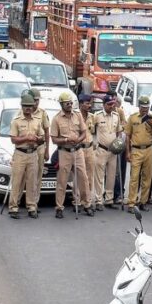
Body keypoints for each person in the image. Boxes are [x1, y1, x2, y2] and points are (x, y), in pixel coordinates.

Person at [50, 90, 90, 218]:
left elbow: (84, 132)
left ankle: (86, 204)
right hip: (64, 152)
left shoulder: (77, 115)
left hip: (78, 151)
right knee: (62, 180)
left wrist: (78, 140)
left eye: (70, 103)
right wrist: (66, 140)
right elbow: (54, 139)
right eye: (66, 103)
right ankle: (59, 208)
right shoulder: (56, 119)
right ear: (61, 104)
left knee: (83, 178)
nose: (69, 105)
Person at [8, 93, 43, 219]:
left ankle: (31, 206)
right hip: (20, 154)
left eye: (30, 106)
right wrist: (25, 138)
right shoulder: (16, 121)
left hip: (33, 153)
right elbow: (13, 139)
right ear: (22, 107)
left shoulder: (37, 121)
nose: (28, 108)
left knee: (32, 182)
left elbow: (42, 138)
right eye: (25, 106)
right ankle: (13, 207)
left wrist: (37, 139)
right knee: (17, 181)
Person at [125, 95, 152, 212]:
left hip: (149, 149)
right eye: (143, 107)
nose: (145, 109)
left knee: (147, 177)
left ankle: (143, 202)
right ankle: (131, 203)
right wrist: (128, 152)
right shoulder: (133, 118)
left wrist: (151, 124)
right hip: (136, 149)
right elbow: (128, 135)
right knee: (134, 177)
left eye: (147, 107)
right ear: (139, 106)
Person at [92, 94, 124, 209]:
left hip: (113, 151)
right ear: (104, 105)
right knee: (99, 176)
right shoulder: (97, 116)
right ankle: (99, 200)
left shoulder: (116, 116)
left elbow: (119, 131)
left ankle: (109, 199)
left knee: (111, 176)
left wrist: (119, 143)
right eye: (109, 104)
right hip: (101, 149)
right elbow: (91, 131)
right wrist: (94, 144)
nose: (111, 106)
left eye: (113, 104)